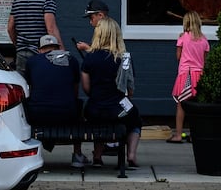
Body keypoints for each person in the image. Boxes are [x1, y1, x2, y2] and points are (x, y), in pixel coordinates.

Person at [80, 16, 140, 168]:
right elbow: (130, 91)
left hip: (94, 109)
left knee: (99, 122)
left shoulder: (90, 58)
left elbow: (86, 88)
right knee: (135, 120)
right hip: (118, 110)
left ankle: (98, 156)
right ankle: (131, 155)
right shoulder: (124, 58)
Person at [22, 34, 88, 167]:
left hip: (38, 114)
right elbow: (75, 90)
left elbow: (30, 88)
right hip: (67, 114)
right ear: (58, 48)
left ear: (40, 50)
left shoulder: (32, 61)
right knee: (78, 105)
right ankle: (77, 155)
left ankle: (33, 156)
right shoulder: (72, 60)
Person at [6, 0, 61, 72]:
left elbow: (10, 28)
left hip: (21, 52)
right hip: (39, 52)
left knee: (23, 85)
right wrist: (60, 50)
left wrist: (18, 45)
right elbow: (51, 29)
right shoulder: (47, 1)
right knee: (39, 83)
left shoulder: (18, 0)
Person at [168, 10, 209, 143]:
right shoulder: (204, 39)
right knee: (196, 106)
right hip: (199, 74)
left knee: (181, 105)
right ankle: (195, 134)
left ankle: (178, 134)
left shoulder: (183, 37)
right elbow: (205, 60)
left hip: (185, 73)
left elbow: (178, 57)